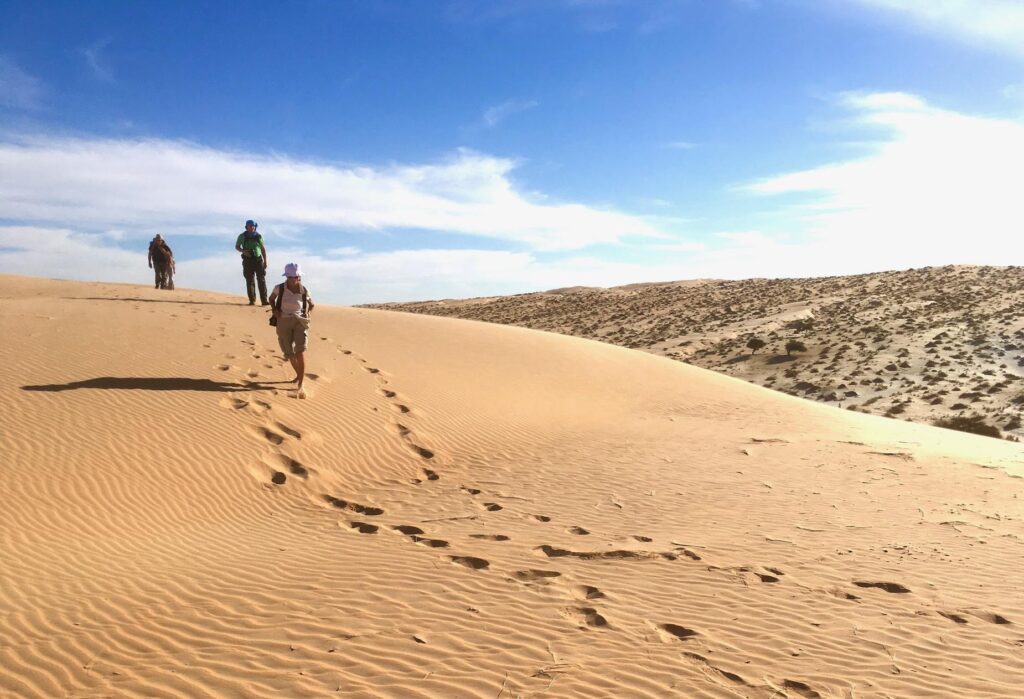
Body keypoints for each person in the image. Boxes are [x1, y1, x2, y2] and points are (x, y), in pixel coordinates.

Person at [268, 262, 315, 398]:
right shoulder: (279, 288)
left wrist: (308, 315)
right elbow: (271, 299)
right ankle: (298, 375)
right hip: (283, 321)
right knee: (288, 352)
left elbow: (312, 305)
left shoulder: (304, 290)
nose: (296, 279)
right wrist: (275, 310)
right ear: (287, 277)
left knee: (300, 350)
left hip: (299, 321)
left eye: (297, 276)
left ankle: (301, 383)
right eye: (292, 277)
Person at [235, 219, 268, 305]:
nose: (252, 227)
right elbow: (237, 246)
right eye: (250, 226)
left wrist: (265, 261)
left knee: (261, 280)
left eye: (253, 226)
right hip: (247, 259)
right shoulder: (242, 236)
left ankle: (264, 301)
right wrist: (243, 251)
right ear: (246, 227)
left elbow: (263, 249)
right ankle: (252, 300)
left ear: (255, 227)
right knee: (249, 280)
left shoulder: (258, 236)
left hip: (258, 259)